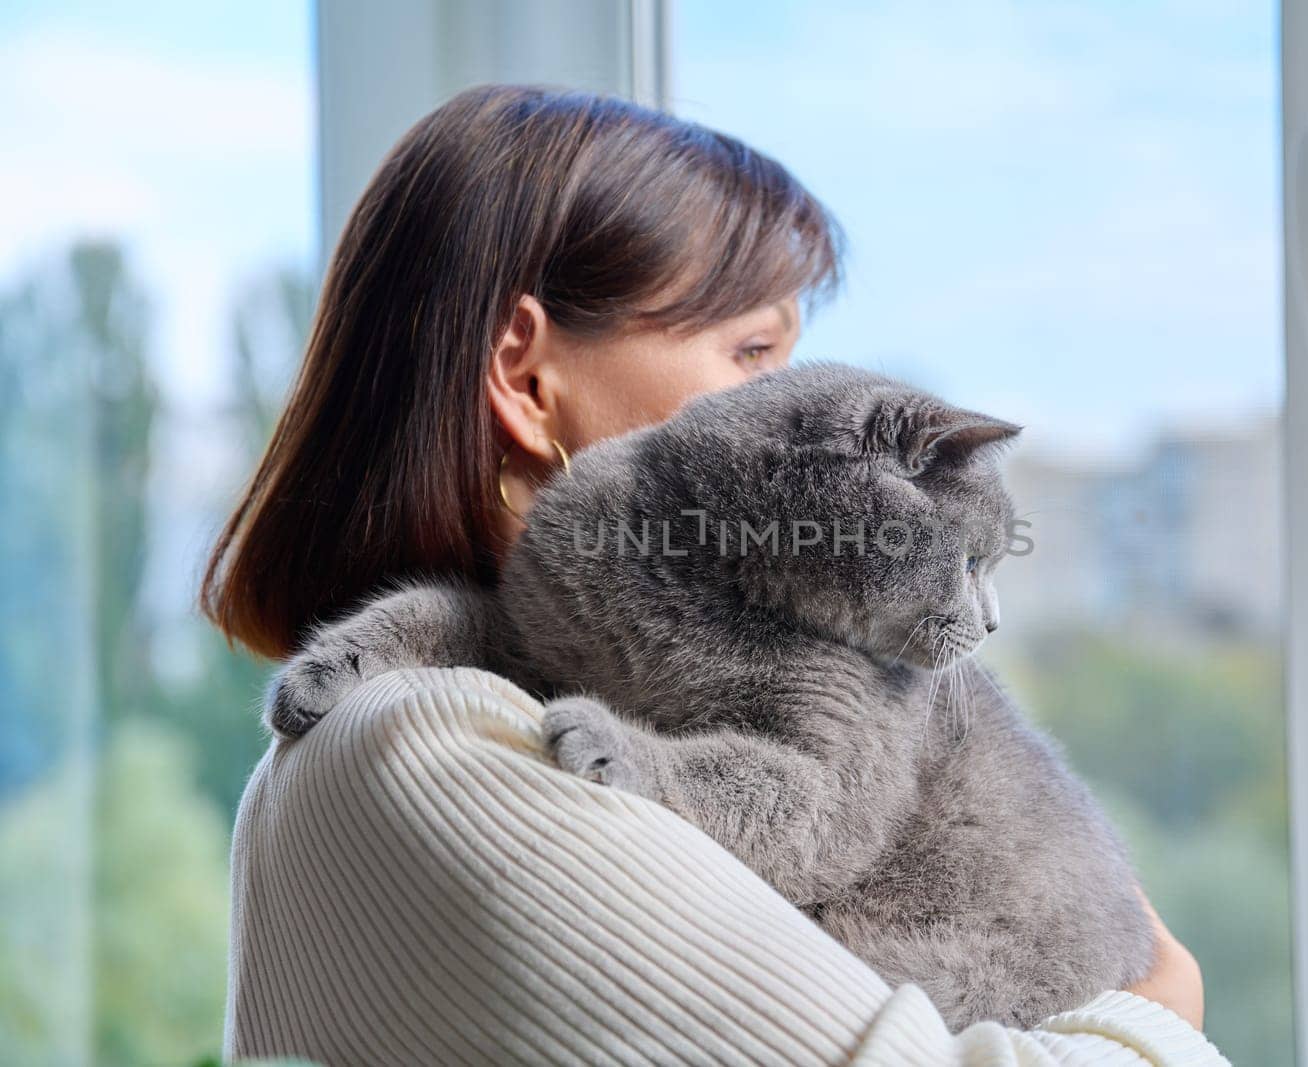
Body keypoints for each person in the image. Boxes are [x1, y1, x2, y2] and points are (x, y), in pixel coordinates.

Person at [203, 84, 1223, 1066]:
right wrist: (1163, 1005)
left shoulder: (437, 713)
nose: (796, 400)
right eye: (753, 354)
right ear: (525, 379)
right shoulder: (433, 747)